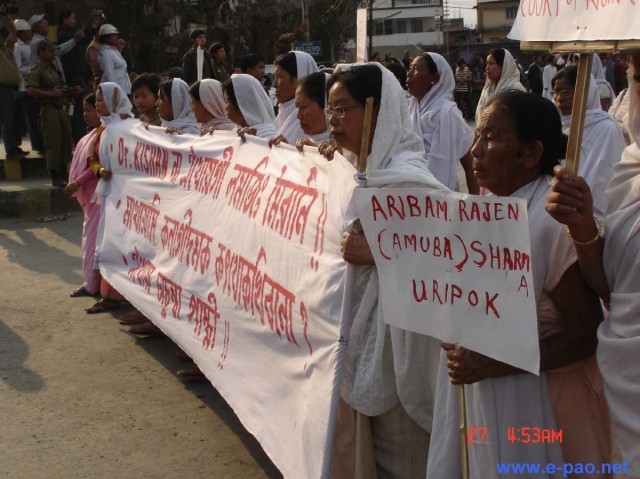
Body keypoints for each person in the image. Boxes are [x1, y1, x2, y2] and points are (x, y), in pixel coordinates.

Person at [427, 90, 606, 478]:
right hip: (478, 393)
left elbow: (586, 333)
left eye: (491, 137)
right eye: (478, 135)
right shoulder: (495, 208)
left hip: (537, 402)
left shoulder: (550, 221)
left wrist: (489, 363)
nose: (476, 150)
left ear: (530, 153)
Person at [320, 63, 446, 479]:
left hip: (400, 357)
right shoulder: (358, 172)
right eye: (330, 110)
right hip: (364, 345)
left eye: (343, 109)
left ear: (377, 110)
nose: (333, 120)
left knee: (404, 459)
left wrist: (378, 253)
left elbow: (445, 259)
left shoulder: (410, 182)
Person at [545, 50, 640, 476]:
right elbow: (612, 289)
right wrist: (582, 226)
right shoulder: (632, 169)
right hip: (625, 378)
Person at [551, 65, 625, 217]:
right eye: (556, 92)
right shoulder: (556, 125)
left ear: (585, 93)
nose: (559, 98)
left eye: (566, 92)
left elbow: (607, 177)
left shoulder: (605, 128)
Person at [86, 82, 133, 314]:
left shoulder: (128, 127)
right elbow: (93, 158)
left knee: (120, 244)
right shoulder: (104, 130)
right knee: (106, 243)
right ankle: (108, 294)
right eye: (96, 100)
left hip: (124, 196)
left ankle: (118, 295)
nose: (97, 104)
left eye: (101, 99)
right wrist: (100, 170)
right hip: (107, 193)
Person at [407, 52, 478, 193]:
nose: (408, 74)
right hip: (410, 198)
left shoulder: (448, 114)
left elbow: (470, 167)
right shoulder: (408, 111)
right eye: (410, 68)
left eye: (415, 69)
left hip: (444, 199)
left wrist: (476, 204)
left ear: (435, 78)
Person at [62, 93, 102, 297]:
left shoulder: (105, 134)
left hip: (99, 196)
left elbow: (97, 165)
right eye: (84, 111)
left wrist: (76, 183)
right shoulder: (94, 134)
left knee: (94, 241)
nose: (85, 114)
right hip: (91, 198)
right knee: (91, 240)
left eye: (89, 110)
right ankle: (92, 282)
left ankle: (94, 285)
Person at [26, 40, 77, 187]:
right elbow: (31, 90)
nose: (53, 54)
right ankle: (55, 174)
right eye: (50, 51)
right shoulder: (38, 70)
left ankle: (64, 171)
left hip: (60, 108)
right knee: (52, 141)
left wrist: (71, 92)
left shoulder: (53, 68)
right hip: (48, 109)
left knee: (66, 140)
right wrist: (51, 94)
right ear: (41, 52)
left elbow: (60, 87)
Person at [57, 8, 103, 143]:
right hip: (73, 77)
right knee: (78, 111)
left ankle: (82, 136)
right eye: (72, 18)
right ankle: (79, 139)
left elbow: (83, 38)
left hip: (80, 76)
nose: (74, 20)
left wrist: (93, 27)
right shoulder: (63, 35)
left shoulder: (71, 33)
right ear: (65, 19)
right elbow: (79, 40)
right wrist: (92, 26)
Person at [273, 51, 319, 143]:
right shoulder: (282, 116)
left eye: (279, 77)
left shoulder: (306, 121)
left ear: (297, 80)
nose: (274, 84)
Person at [475, 48, 526, 125]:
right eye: (487, 64)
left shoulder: (515, 89)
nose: (487, 67)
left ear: (504, 66)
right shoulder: (488, 88)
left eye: (491, 64)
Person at [223, 73, 276, 139]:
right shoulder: (235, 131)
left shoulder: (270, 137)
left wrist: (253, 141)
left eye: (228, 101)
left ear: (242, 104)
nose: (226, 108)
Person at [0, 10, 21, 161]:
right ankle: (11, 149)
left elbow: (14, 32)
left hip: (14, 89)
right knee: (8, 121)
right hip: (4, 89)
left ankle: (16, 146)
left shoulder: (7, 49)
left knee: (17, 120)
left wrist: (6, 15)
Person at [98, 24, 131, 95]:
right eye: (113, 35)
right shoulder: (106, 53)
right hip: (117, 91)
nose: (116, 37)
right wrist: (116, 92)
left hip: (124, 88)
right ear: (106, 38)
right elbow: (109, 74)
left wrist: (120, 49)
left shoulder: (113, 50)